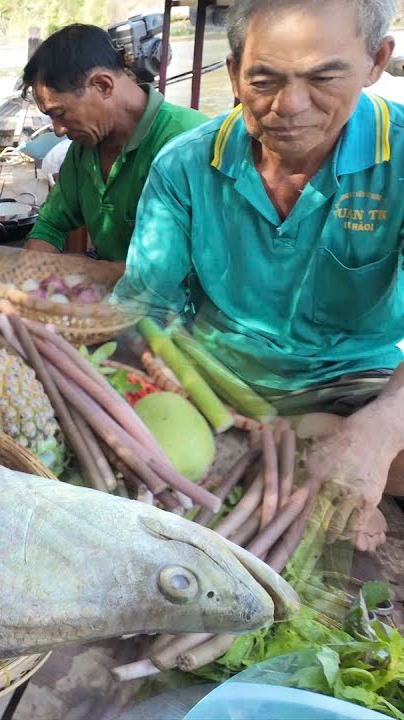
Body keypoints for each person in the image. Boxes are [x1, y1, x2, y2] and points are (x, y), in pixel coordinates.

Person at [115, 0, 404, 553]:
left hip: (354, 383)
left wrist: (381, 431)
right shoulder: (184, 165)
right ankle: (297, 443)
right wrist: (161, 361)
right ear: (233, 74)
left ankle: (317, 438)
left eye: (323, 77)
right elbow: (144, 307)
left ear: (376, 62)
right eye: (264, 80)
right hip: (215, 380)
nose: (289, 106)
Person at [22, 24, 207, 263]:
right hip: (110, 291)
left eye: (60, 113)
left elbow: (198, 266)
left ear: (103, 85)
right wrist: (30, 276)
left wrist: (86, 273)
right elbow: (49, 225)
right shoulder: (84, 148)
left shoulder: (188, 142)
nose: (58, 130)